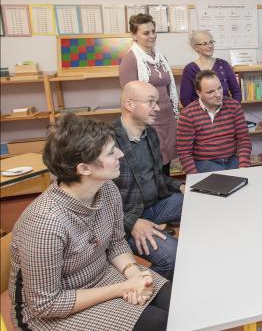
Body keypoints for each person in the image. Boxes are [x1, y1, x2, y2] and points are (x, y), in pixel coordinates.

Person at [8, 113, 170, 331]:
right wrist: (123, 288)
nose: (121, 154)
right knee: (162, 324)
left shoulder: (107, 189)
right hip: (50, 313)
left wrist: (134, 273)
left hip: (102, 278)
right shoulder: (44, 223)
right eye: (112, 152)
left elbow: (116, 242)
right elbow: (45, 305)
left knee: (176, 302)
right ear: (84, 168)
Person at [114, 81, 185, 281]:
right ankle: (136, 288)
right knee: (174, 257)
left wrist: (180, 185)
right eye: (151, 102)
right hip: (126, 219)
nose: (158, 107)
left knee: (199, 201)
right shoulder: (107, 141)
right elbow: (96, 200)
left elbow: (156, 176)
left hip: (154, 206)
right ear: (129, 104)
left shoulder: (150, 133)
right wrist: (132, 222)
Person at [119, 13, 178, 174]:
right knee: (153, 163)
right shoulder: (130, 60)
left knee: (166, 163)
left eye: (153, 31)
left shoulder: (160, 57)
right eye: (146, 33)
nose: (152, 36)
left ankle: (166, 195)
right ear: (134, 35)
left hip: (167, 117)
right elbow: (129, 97)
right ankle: (157, 197)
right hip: (149, 120)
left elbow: (167, 89)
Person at [177, 70, 252, 173]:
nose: (218, 94)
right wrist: (195, 177)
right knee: (223, 186)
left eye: (219, 88)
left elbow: (244, 140)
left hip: (233, 160)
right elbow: (184, 152)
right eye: (210, 92)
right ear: (199, 93)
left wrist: (243, 167)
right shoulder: (188, 114)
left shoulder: (234, 106)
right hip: (205, 163)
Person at [180, 30, 242, 106]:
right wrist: (197, 114)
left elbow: (236, 92)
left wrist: (233, 109)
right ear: (196, 47)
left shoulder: (223, 65)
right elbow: (185, 99)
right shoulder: (190, 69)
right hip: (200, 115)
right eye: (204, 43)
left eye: (211, 42)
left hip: (225, 113)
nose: (209, 46)